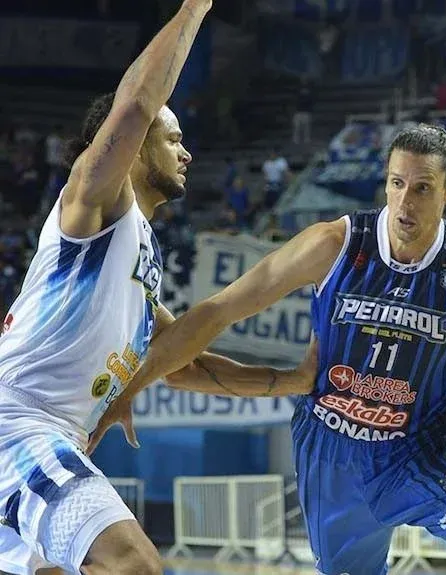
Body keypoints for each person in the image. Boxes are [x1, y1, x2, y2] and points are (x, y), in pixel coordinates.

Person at [92, 124, 446, 575]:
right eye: (396, 183)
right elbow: (217, 312)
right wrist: (131, 386)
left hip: (423, 446)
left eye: (422, 188)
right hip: (333, 450)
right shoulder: (335, 244)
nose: (405, 201)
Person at [0, 2, 315, 574]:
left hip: (52, 431)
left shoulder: (140, 257)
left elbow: (186, 364)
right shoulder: (94, 204)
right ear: (137, 143)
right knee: (134, 564)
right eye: (173, 139)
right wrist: (196, 5)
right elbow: (137, 103)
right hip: (18, 422)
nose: (187, 152)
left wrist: (294, 381)